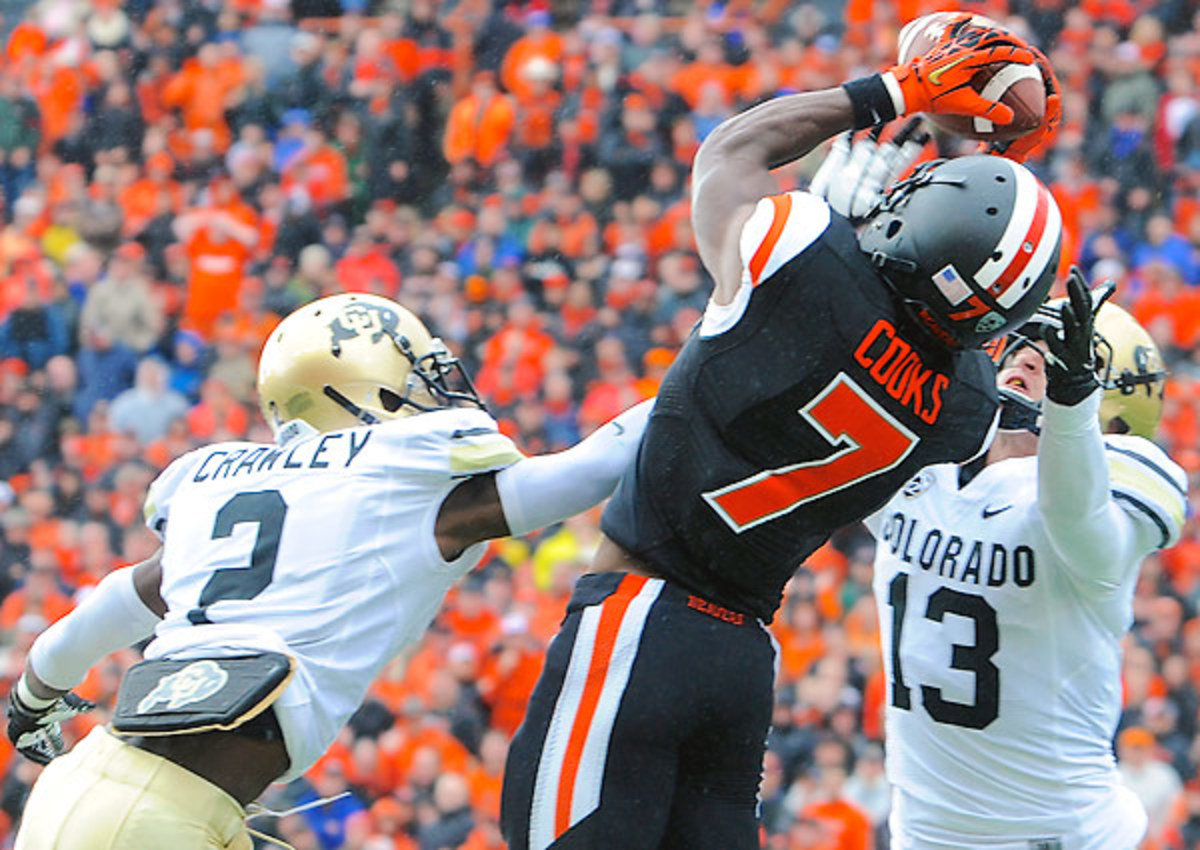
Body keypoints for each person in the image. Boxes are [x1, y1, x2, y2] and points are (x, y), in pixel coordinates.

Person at [501, 15, 1063, 850]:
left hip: (639, 622)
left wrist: (895, 93)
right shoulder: (962, 404)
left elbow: (731, 152)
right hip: (741, 666)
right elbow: (968, 386)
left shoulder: (801, 255)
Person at [6, 292, 652, 850]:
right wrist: (724, 349)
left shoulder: (227, 485)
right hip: (156, 822)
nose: (433, 390)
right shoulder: (399, 487)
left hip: (99, 787)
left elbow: (114, 602)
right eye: (412, 376)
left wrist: (33, 697)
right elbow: (593, 467)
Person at [864, 261, 1186, 847]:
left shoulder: (1104, 504)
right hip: (924, 836)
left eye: (1064, 356)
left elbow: (1075, 511)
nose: (1028, 358)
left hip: (1060, 836)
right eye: (1024, 344)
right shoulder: (924, 475)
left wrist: (1071, 404)